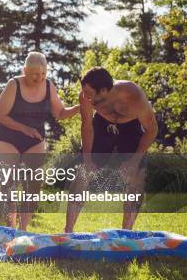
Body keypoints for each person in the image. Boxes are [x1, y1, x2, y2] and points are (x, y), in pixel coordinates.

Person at [0, 52, 80, 230]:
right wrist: (24, 128)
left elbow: (61, 113)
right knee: (9, 182)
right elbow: (0, 116)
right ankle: (10, 229)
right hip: (7, 135)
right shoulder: (13, 85)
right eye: (34, 74)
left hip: (34, 138)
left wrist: (80, 107)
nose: (39, 78)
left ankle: (23, 231)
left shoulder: (49, 87)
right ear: (24, 70)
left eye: (43, 74)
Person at [64, 67, 158, 233]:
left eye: (89, 93)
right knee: (82, 173)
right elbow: (87, 127)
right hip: (101, 126)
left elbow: (152, 130)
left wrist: (134, 161)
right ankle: (68, 230)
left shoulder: (133, 96)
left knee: (136, 179)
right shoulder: (85, 98)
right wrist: (87, 159)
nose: (85, 97)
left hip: (130, 130)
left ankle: (126, 233)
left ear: (104, 91)